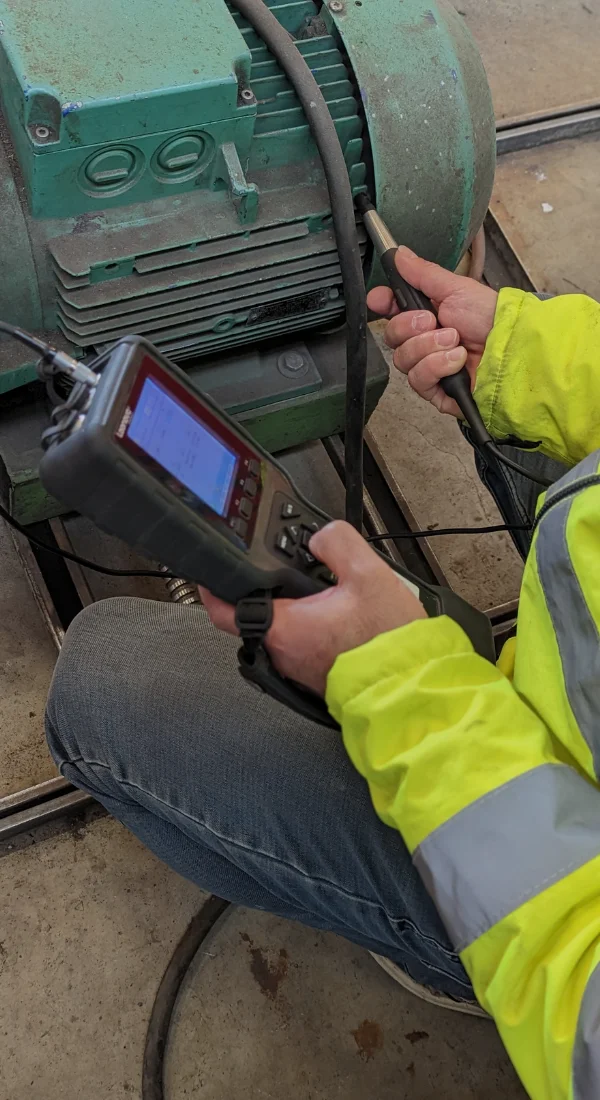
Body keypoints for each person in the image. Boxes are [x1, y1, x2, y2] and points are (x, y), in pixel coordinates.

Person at [46, 246, 600, 1099]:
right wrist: (542, 358)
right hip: (553, 696)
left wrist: (400, 683)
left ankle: (472, 964)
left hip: (550, 898)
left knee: (105, 678)